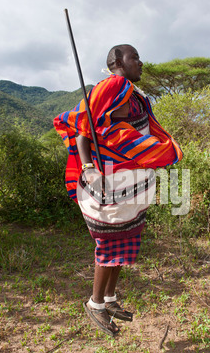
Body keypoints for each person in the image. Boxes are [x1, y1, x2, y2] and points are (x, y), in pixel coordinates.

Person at [54, 44, 183, 337]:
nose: (140, 62)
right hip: (108, 186)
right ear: (117, 62)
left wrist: (149, 152)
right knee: (110, 245)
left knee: (124, 242)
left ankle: (110, 300)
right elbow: (83, 131)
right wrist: (88, 168)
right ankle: (95, 303)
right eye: (133, 57)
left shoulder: (132, 94)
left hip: (129, 188)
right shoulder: (113, 85)